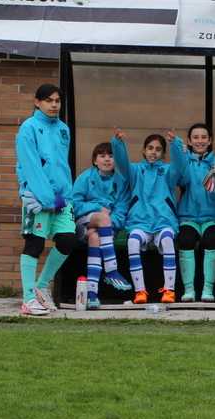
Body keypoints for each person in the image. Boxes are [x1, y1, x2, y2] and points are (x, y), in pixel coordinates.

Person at [15, 84, 78, 316]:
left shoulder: (63, 129)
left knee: (67, 240)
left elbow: (61, 165)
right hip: (37, 197)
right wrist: (46, 199)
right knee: (35, 243)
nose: (54, 105)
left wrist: (66, 196)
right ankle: (28, 299)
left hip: (61, 198)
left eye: (57, 101)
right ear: (37, 102)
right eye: (49, 100)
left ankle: (41, 287)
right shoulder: (28, 127)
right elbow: (30, 165)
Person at [113, 129, 184, 304]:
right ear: (143, 150)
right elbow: (121, 163)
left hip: (164, 221)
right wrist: (118, 143)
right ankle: (140, 291)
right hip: (140, 221)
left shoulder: (168, 171)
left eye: (158, 149)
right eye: (150, 148)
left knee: (167, 240)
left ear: (163, 153)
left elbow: (180, 165)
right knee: (132, 242)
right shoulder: (135, 170)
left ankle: (169, 290)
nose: (153, 152)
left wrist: (176, 144)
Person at [71, 142, 132, 308]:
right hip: (83, 223)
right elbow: (74, 205)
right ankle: (111, 270)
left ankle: (92, 294)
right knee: (104, 217)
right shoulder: (84, 178)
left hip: (105, 228)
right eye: (102, 156)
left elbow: (121, 213)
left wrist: (98, 225)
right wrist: (98, 209)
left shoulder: (122, 182)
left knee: (95, 238)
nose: (107, 159)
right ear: (94, 160)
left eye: (111, 156)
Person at [175, 123, 215, 303]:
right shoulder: (183, 161)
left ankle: (208, 289)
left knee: (212, 239)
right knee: (186, 240)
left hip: (211, 216)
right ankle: (189, 289)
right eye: (195, 137)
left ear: (210, 140)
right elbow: (179, 181)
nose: (200, 141)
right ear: (189, 141)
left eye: (204, 137)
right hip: (188, 216)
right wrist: (180, 158)